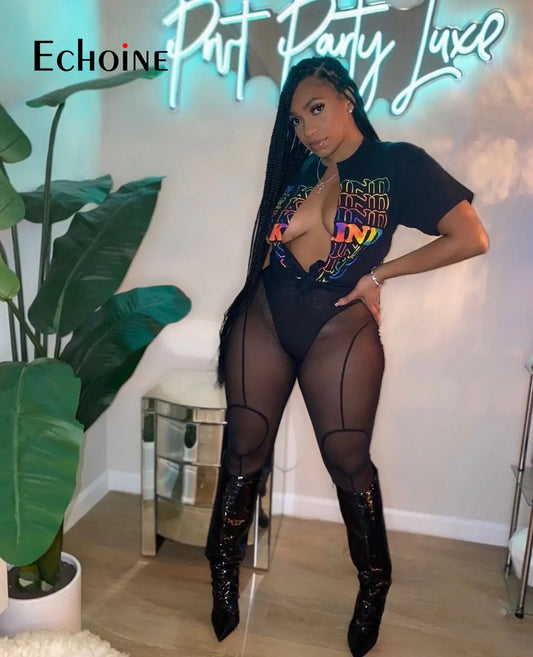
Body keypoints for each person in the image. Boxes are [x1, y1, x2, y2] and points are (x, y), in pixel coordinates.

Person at [205, 56, 488, 657]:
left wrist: (379, 276)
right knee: (243, 450)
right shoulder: (301, 170)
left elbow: (470, 237)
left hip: (339, 326)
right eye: (296, 119)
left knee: (348, 461)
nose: (308, 128)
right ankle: (222, 573)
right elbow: (270, 250)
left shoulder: (398, 164)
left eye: (317, 109)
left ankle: (374, 584)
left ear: (346, 98)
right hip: (266, 317)